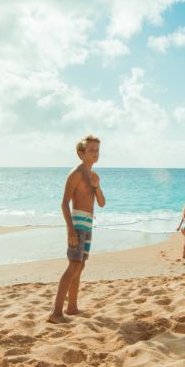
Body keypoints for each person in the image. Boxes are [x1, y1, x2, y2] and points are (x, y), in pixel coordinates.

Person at [50, 134, 105, 322]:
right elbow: (64, 202)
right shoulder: (76, 173)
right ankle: (56, 312)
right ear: (81, 153)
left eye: (97, 150)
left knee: (80, 266)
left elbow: (102, 203)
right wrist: (70, 230)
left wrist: (97, 186)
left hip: (88, 224)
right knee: (73, 265)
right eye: (91, 150)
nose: (95, 153)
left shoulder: (92, 175)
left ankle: (72, 307)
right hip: (77, 225)